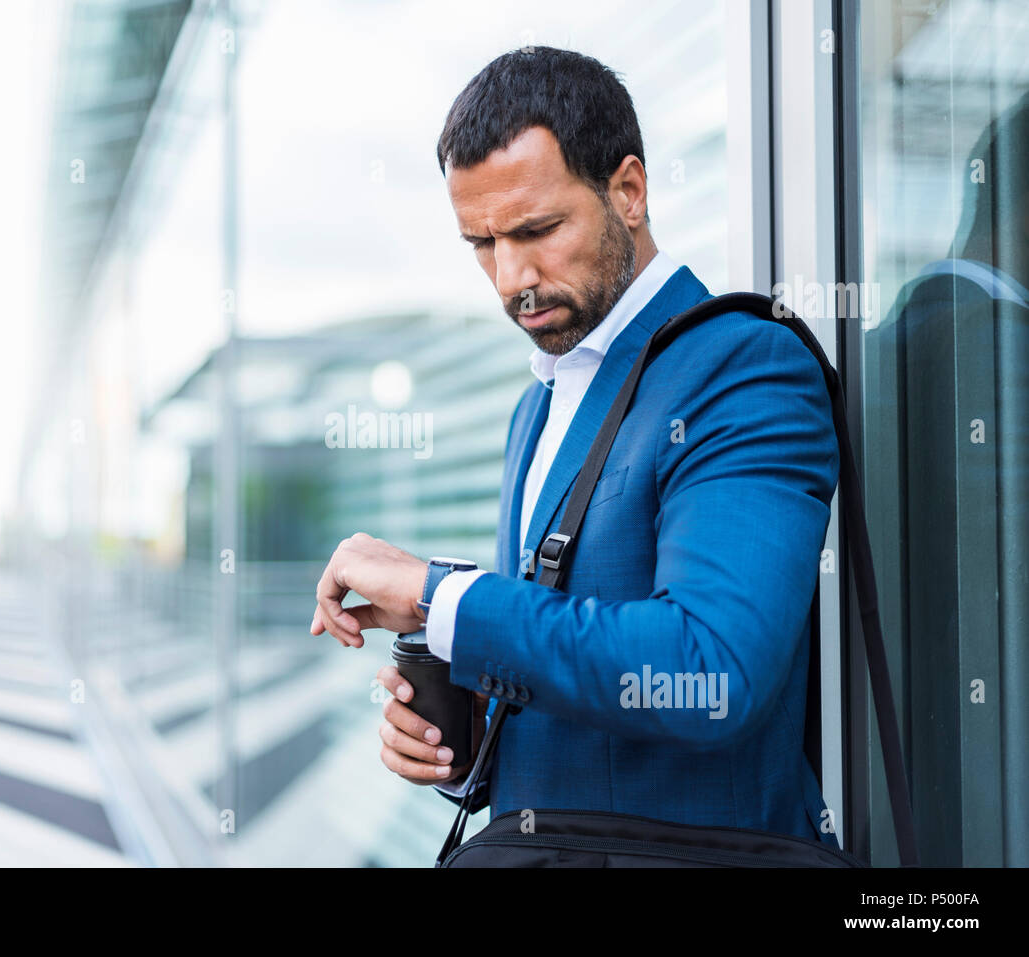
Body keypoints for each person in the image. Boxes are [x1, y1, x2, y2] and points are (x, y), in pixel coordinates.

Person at [309, 47, 841, 845]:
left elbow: (709, 675)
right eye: (481, 244)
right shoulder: (539, 403)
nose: (509, 277)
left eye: (538, 229)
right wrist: (467, 746)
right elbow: (574, 657)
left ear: (628, 190)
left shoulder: (741, 365)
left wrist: (438, 595)